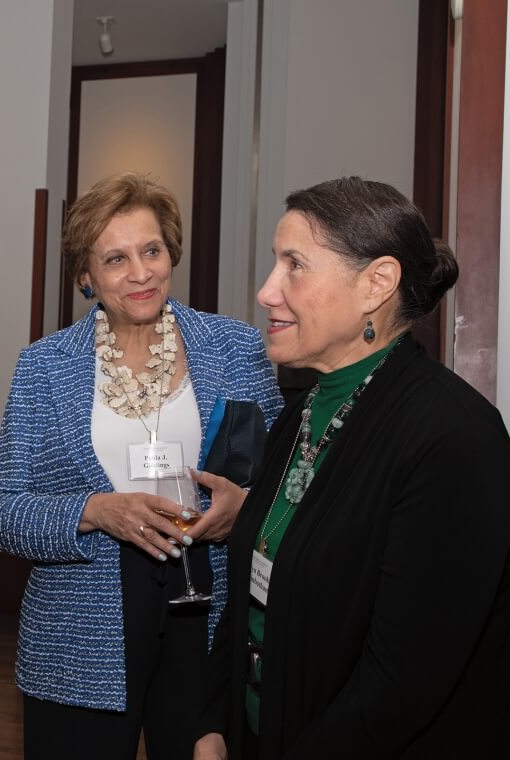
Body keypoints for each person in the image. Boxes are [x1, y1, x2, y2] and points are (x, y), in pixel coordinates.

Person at [194, 177, 510, 759]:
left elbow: (403, 683)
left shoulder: (455, 439)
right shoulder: (302, 412)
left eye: (295, 265)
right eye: (274, 263)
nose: (266, 291)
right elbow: (250, 598)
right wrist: (213, 722)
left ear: (377, 284)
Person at [0, 172, 283, 759]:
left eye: (151, 250)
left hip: (210, 611)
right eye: (115, 259)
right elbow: (3, 511)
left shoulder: (237, 348)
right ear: (85, 276)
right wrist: (95, 511)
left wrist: (242, 510)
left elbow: (277, 481)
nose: (141, 272)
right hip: (81, 628)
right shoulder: (44, 367)